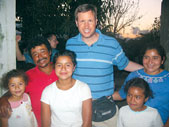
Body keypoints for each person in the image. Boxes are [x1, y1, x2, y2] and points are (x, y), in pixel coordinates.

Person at [66, 4, 143, 127]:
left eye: (90, 20)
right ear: (76, 23)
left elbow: (125, 64)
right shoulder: (70, 44)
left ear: (96, 21)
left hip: (104, 106)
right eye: (82, 21)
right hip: (78, 105)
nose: (86, 26)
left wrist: (148, 70)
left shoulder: (111, 43)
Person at [0, 36, 58, 127]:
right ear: (32, 58)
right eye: (35, 54)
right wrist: (3, 100)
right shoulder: (27, 76)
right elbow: (12, 91)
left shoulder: (62, 71)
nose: (40, 57)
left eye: (43, 52)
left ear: (50, 52)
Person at [113, 43, 169, 126]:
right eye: (146, 57)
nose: (150, 62)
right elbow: (122, 94)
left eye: (155, 58)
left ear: (162, 60)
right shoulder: (134, 75)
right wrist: (99, 96)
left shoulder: (167, 78)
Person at [41, 50, 92, 127]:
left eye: (68, 65)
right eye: (59, 65)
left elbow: (87, 123)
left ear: (74, 67)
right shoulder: (47, 91)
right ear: (54, 67)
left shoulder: (83, 88)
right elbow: (45, 124)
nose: (63, 69)